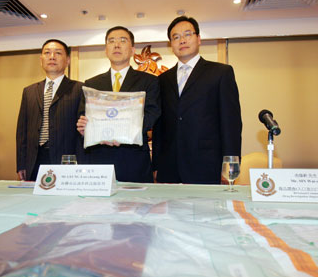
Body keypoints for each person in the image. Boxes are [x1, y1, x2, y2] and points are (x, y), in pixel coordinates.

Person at [152, 16, 242, 184]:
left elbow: (231, 123)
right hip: (169, 166)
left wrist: (230, 164)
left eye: (187, 34)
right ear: (171, 44)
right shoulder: (163, 79)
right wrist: (156, 164)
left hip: (207, 164)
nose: (182, 40)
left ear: (199, 39)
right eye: (176, 37)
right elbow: (159, 127)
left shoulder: (220, 73)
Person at [76, 26, 161, 183]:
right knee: (99, 207)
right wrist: (83, 128)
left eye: (123, 41)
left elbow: (152, 115)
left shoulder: (149, 81)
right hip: (99, 161)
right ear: (106, 49)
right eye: (111, 41)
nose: (116, 45)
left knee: (137, 206)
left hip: (133, 161)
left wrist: (120, 132)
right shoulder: (91, 84)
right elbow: (83, 116)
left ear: (132, 50)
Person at [16, 39, 83, 181]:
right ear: (41, 60)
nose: (52, 56)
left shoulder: (79, 89)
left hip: (66, 160)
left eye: (58, 53)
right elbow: (22, 131)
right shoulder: (29, 91)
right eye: (47, 53)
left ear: (68, 60)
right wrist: (21, 163)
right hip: (34, 160)